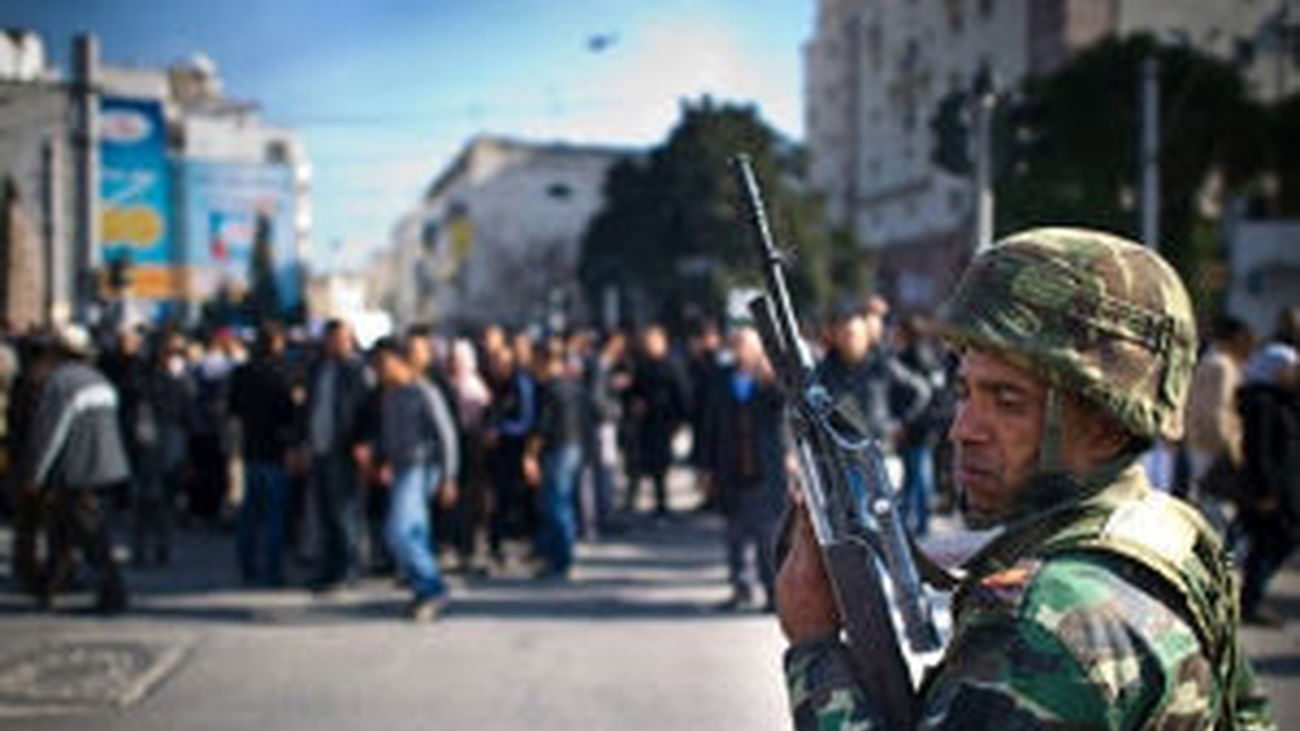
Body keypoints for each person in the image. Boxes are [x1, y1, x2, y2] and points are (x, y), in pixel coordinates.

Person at [777, 228, 1274, 729]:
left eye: (1007, 402)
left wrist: (815, 651)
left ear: (1106, 424)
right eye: (965, 392)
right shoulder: (1170, 533)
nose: (962, 429)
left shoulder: (1040, 623)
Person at [17, 324, 131, 613]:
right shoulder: (100, 380)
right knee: (64, 530)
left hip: (77, 470)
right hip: (107, 466)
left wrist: (35, 475)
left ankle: (112, 591)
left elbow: (50, 434)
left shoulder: (61, 383)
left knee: (88, 533)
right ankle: (51, 586)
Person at [700, 326, 787, 612]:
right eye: (736, 346)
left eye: (747, 346)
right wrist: (706, 468)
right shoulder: (720, 379)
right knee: (734, 537)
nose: (741, 352)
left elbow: (785, 409)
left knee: (767, 538)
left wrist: (771, 378)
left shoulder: (769, 379)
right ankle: (741, 589)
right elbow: (709, 425)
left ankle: (773, 593)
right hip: (730, 470)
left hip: (765, 471)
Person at [371, 337, 456, 621]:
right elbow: (387, 434)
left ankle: (432, 588)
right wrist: (383, 460)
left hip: (422, 468)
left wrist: (449, 476)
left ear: (399, 361)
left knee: (399, 530)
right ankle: (424, 590)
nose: (379, 370)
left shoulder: (423, 391)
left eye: (383, 363)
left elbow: (446, 435)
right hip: (400, 469)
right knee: (415, 533)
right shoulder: (389, 395)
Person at [304, 319, 373, 591]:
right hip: (319, 447)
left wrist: (364, 441)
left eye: (344, 339)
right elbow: (309, 407)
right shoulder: (318, 369)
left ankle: (348, 569)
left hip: (344, 449)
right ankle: (329, 568)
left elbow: (368, 410)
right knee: (325, 512)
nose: (339, 344)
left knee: (344, 512)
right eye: (334, 339)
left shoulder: (357, 370)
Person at [228, 323, 299, 587]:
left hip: (251, 448)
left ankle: (247, 566)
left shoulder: (243, 372)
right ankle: (273, 571)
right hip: (277, 450)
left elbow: (233, 411)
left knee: (250, 514)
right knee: (274, 517)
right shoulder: (284, 373)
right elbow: (291, 412)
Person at [1236, 342, 1300, 627]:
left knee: (1273, 543)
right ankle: (1249, 603)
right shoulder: (1261, 402)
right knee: (1268, 544)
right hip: (1269, 490)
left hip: (1283, 488)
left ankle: (1250, 600)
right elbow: (1258, 451)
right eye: (1290, 368)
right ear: (1275, 369)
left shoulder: (1283, 399)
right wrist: (1264, 491)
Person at [1182, 314, 1254, 528]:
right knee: (1216, 510)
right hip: (1213, 446)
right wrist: (1231, 448)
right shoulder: (1223, 366)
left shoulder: (1211, 361)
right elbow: (1218, 410)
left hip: (1200, 442)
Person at [527, 339, 586, 579]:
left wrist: (530, 456)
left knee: (555, 505)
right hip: (573, 447)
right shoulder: (572, 386)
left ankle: (560, 561)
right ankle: (560, 556)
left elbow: (542, 427)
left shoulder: (550, 389)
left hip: (557, 450)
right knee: (563, 504)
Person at [624, 325, 688, 517]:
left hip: (665, 419)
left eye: (653, 342)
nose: (650, 346)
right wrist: (635, 402)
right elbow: (635, 390)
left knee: (662, 464)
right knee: (644, 461)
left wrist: (679, 420)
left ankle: (662, 502)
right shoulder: (642, 364)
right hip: (646, 421)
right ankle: (641, 499)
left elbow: (682, 393)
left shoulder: (672, 364)